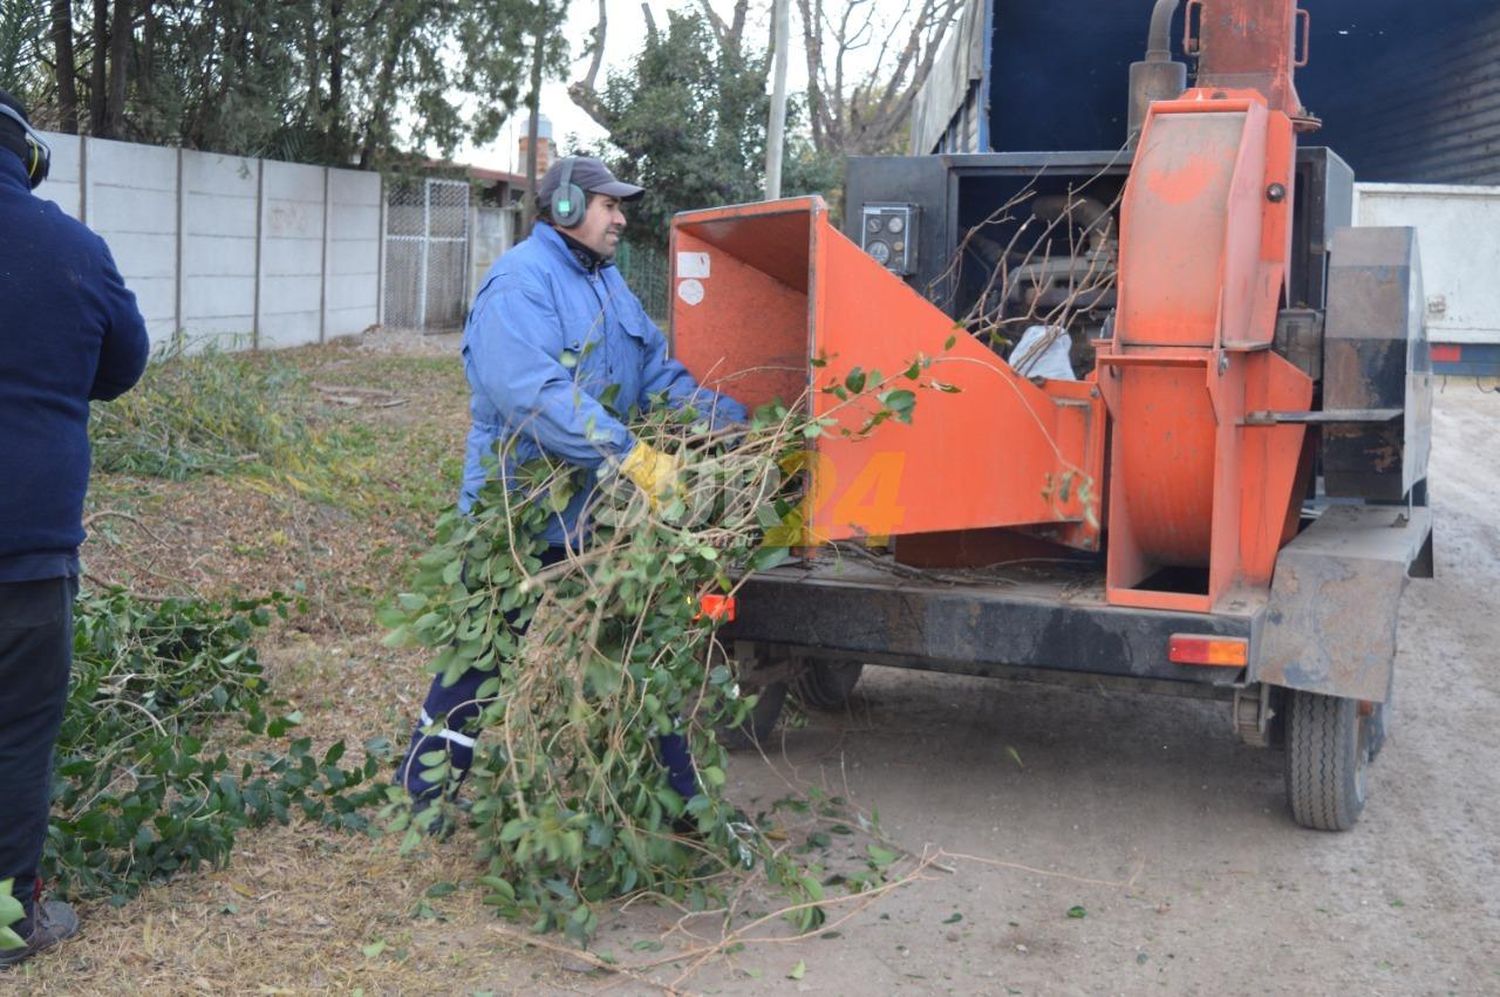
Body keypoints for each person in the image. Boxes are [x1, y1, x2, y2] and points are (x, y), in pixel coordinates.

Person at [397, 156, 746, 814]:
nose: (621, 218)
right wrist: (631, 456)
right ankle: (425, 801)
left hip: (593, 512)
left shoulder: (610, 286)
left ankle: (682, 804)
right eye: (609, 205)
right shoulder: (519, 284)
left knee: (643, 642)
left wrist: (735, 426)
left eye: (621, 206)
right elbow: (535, 395)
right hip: (519, 511)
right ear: (563, 207)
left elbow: (656, 377)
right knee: (480, 660)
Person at [0, 90, 150, 968]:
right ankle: (7, 920)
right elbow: (122, 365)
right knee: (16, 735)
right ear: (30, 159)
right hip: (27, 560)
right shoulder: (74, 249)